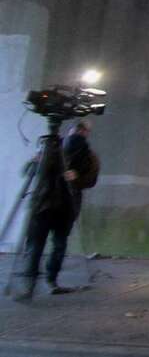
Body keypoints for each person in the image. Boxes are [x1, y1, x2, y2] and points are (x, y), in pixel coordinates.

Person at [15, 120, 99, 300]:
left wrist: (75, 178)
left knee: (56, 245)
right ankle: (31, 281)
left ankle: (49, 280)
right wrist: (36, 161)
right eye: (77, 130)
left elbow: (91, 179)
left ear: (86, 133)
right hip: (44, 204)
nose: (78, 133)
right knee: (37, 245)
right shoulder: (51, 150)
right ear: (70, 131)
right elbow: (28, 172)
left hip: (63, 205)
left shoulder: (89, 156)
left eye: (82, 131)